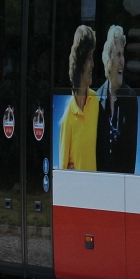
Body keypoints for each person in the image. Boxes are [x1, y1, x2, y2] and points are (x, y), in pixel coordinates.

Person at [97, 25, 138, 173]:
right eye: (118, 55)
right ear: (108, 60)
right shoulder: (96, 98)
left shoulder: (131, 99)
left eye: (123, 55)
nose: (122, 61)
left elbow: (131, 154)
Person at [58, 25, 98, 171]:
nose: (93, 65)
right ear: (80, 61)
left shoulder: (97, 101)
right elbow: (63, 170)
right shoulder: (67, 116)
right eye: (89, 57)